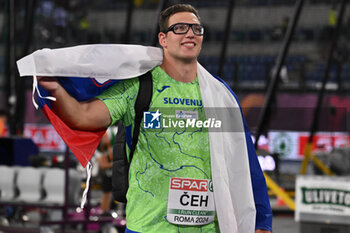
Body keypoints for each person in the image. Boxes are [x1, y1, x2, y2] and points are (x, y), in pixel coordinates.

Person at [37, 4, 272, 233]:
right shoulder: (139, 86)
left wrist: (262, 221)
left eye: (196, 29)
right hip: (148, 228)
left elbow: (245, 160)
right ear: (163, 39)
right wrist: (55, 89)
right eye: (180, 28)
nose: (190, 33)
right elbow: (83, 117)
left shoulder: (221, 94)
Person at [95, 127, 117, 215]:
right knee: (107, 190)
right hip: (110, 173)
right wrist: (116, 164)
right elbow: (102, 166)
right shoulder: (98, 149)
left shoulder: (114, 132)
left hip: (121, 170)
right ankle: (104, 212)